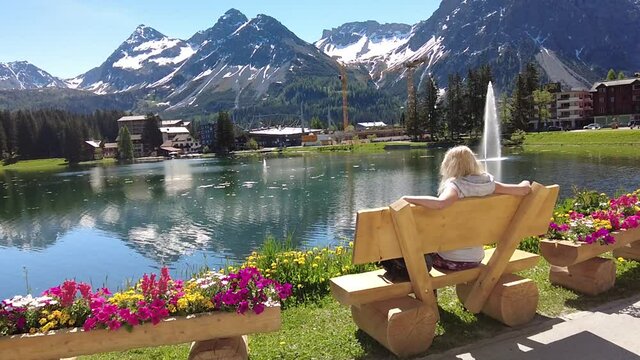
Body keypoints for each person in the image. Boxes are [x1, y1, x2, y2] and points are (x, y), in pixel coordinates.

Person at [381, 145, 531, 278]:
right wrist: (525, 183)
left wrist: (408, 198)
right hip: (476, 257)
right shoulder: (488, 184)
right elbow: (524, 190)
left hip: (450, 260)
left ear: (450, 166)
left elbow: (441, 203)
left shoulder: (456, 187)